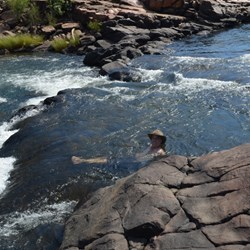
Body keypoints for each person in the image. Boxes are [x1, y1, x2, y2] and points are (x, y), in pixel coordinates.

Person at [71, 129, 167, 165]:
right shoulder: (151, 146)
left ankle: (82, 161)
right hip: (133, 157)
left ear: (161, 140)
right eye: (153, 138)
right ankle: (84, 160)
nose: (154, 140)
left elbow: (158, 162)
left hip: (133, 162)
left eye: (157, 139)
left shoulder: (160, 152)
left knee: (110, 160)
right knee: (108, 157)